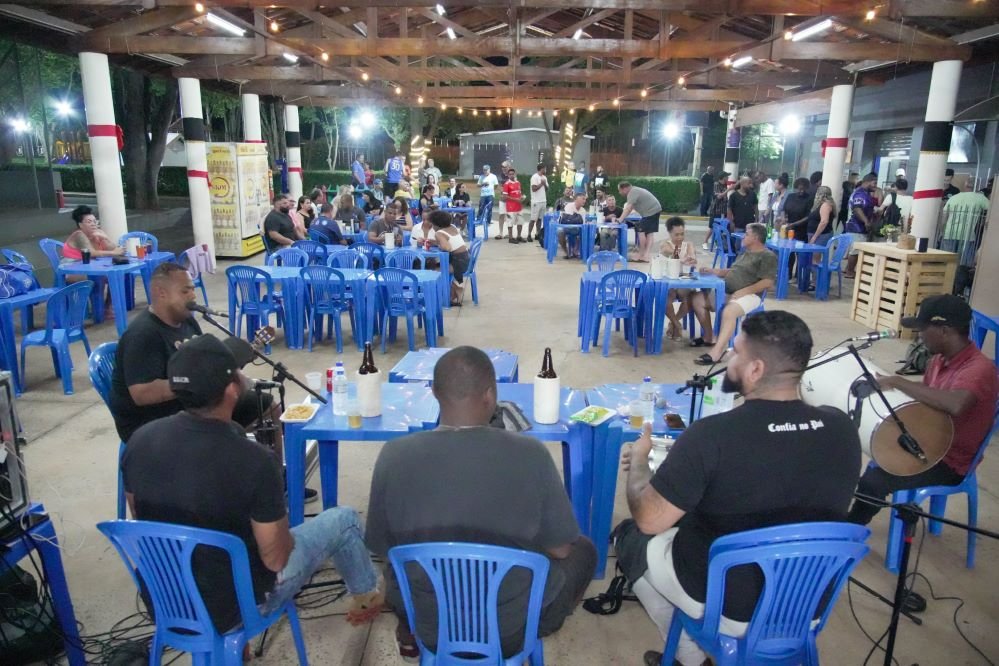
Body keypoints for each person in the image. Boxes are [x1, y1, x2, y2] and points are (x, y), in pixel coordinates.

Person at [616, 311, 860, 666]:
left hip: (732, 605)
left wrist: (639, 462)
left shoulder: (711, 435)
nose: (729, 357)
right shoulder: (842, 428)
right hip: (807, 601)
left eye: (736, 351)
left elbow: (649, 519)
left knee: (632, 539)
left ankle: (690, 656)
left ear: (755, 369)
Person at [123, 334, 383, 635]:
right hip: (238, 608)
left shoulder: (139, 441)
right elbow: (276, 560)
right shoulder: (255, 460)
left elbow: (141, 517)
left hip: (165, 601)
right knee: (344, 520)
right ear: (232, 389)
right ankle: (367, 599)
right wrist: (285, 533)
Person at [366, 346, 596, 661]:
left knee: (398, 570)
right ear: (490, 395)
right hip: (508, 631)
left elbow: (382, 547)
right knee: (583, 550)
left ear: (434, 393)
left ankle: (409, 631)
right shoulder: (531, 455)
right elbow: (561, 549)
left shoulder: (393, 455)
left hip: (431, 624)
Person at [847, 295, 998, 525]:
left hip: (950, 462)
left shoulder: (979, 369)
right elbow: (929, 395)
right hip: (928, 441)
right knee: (872, 448)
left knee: (874, 481)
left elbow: (955, 404)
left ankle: (851, 528)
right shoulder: (939, 359)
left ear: (944, 331)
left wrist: (897, 382)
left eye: (923, 329)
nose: (919, 335)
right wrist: (890, 386)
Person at [690, 223, 777, 365]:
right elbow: (734, 271)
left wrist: (743, 291)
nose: (743, 237)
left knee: (729, 311)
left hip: (751, 295)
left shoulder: (767, 256)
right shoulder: (745, 252)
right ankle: (708, 337)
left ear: (755, 238)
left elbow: (768, 282)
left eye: (747, 234)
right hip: (728, 291)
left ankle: (717, 353)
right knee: (697, 299)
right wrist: (714, 271)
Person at [658, 217, 698, 340]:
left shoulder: (688, 244)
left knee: (690, 298)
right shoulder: (664, 244)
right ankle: (677, 325)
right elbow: (670, 252)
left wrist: (692, 259)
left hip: (683, 281)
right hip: (668, 282)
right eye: (676, 234)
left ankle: (673, 323)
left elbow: (692, 257)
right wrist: (682, 259)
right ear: (670, 233)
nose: (680, 237)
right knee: (664, 299)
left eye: (682, 234)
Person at [427, 210, 471, 306]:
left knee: (433, 271)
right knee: (438, 267)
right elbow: (450, 241)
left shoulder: (439, 233)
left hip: (458, 263)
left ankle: (457, 289)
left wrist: (439, 244)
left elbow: (447, 247)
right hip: (466, 259)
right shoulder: (452, 227)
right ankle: (454, 290)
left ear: (436, 224)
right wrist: (435, 242)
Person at [618, 181, 663, 264]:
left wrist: (620, 220)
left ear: (624, 189)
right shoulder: (635, 190)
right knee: (649, 233)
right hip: (655, 210)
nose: (619, 193)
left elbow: (628, 208)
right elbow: (630, 208)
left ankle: (641, 255)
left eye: (620, 190)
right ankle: (646, 255)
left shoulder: (632, 192)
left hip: (651, 211)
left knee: (640, 229)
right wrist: (621, 218)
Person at [844, 172, 877, 278]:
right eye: (874, 183)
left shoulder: (864, 194)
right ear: (867, 182)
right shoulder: (860, 194)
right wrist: (866, 221)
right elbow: (857, 209)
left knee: (855, 249)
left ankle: (848, 269)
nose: (875, 186)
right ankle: (850, 271)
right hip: (856, 226)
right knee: (856, 250)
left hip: (858, 226)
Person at [557, 193, 587, 259]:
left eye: (585, 199)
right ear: (576, 200)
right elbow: (569, 220)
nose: (584, 201)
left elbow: (583, 224)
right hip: (566, 227)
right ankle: (566, 252)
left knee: (584, 231)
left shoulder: (583, 210)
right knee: (559, 231)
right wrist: (578, 219)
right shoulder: (569, 206)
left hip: (577, 229)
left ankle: (575, 251)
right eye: (583, 199)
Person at [502, 167, 527, 244]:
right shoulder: (506, 184)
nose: (511, 175)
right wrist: (516, 200)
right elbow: (505, 197)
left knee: (520, 222)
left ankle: (519, 236)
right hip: (510, 207)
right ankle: (510, 238)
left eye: (513, 174)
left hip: (519, 207)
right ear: (508, 175)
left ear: (515, 174)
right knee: (510, 223)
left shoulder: (518, 183)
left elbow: (519, 193)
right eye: (510, 174)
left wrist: (522, 197)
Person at [476, 164, 500, 236]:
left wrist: (492, 189)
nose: (485, 171)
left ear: (489, 170)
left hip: (490, 195)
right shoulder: (481, 177)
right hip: (483, 195)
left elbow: (496, 185)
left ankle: (488, 221)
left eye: (486, 170)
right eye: (484, 170)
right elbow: (478, 185)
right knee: (481, 207)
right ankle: (479, 220)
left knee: (489, 208)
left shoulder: (493, 176)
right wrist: (483, 184)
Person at [529, 163, 549, 245]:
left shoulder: (544, 177)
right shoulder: (534, 177)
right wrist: (541, 184)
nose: (546, 170)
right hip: (536, 201)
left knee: (540, 219)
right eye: (545, 169)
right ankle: (529, 235)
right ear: (541, 169)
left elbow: (547, 189)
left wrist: (544, 184)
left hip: (543, 201)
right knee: (533, 219)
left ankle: (537, 234)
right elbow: (533, 189)